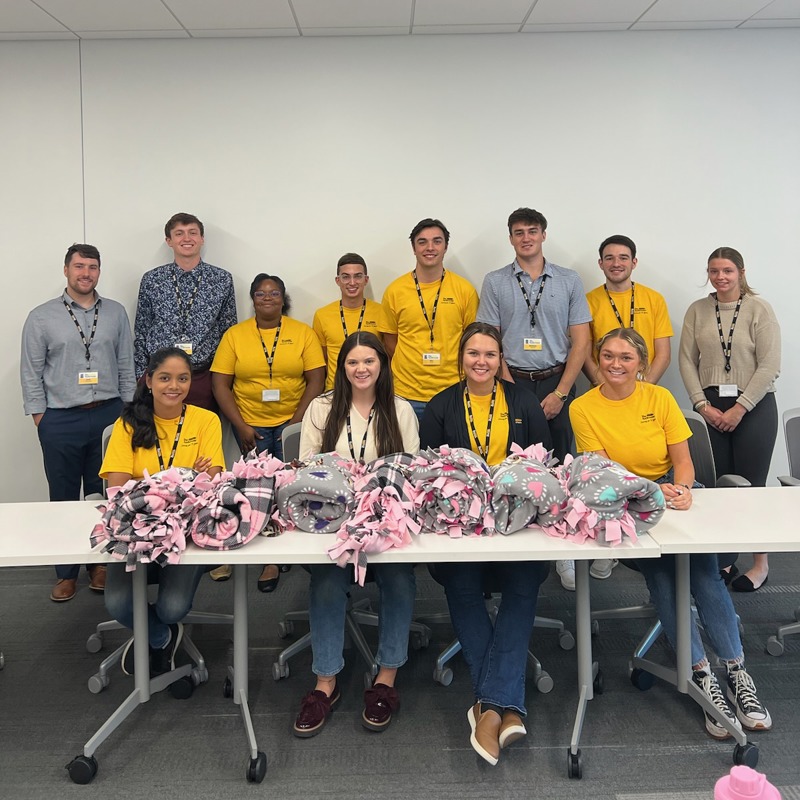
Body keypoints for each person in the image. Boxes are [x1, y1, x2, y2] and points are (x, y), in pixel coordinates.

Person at [570, 327, 771, 741]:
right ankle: (700, 674)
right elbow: (604, 473)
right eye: (607, 355)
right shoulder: (583, 407)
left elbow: (684, 461)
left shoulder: (660, 398)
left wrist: (680, 489)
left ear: (641, 364)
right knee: (662, 574)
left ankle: (736, 671)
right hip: (623, 499)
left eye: (626, 357)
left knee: (701, 571)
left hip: (673, 493)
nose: (615, 364)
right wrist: (647, 492)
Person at [419, 322, 552, 765]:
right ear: (462, 358)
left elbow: (542, 466)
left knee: (525, 578)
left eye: (490, 354)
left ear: (501, 360)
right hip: (462, 526)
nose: (481, 362)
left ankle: (488, 706)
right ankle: (506, 707)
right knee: (460, 580)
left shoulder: (524, 402)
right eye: (473, 353)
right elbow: (431, 476)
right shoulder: (440, 406)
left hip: (517, 524)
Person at [293, 332, 419, 738]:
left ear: (382, 364)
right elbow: (305, 468)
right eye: (353, 362)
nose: (361, 369)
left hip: (386, 521)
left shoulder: (399, 410)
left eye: (369, 361)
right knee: (328, 582)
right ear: (342, 367)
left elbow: (411, 473)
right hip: (332, 521)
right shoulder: (321, 408)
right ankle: (325, 683)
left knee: (400, 579)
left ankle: (385, 678)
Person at [476, 207, 591, 591]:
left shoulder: (570, 280)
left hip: (556, 380)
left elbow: (581, 341)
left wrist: (561, 392)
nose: (526, 238)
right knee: (513, 464)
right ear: (510, 239)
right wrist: (509, 390)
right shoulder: (494, 282)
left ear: (544, 235)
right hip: (512, 381)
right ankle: (514, 537)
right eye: (518, 232)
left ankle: (563, 549)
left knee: (560, 465)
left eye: (533, 231)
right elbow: (490, 341)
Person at [21, 243, 136, 602]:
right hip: (61, 419)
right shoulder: (41, 317)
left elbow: (125, 365)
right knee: (64, 496)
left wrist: (129, 411)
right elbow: (31, 372)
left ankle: (99, 564)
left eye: (93, 267)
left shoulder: (115, 313)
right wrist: (43, 418)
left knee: (105, 494)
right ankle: (66, 572)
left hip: (108, 415)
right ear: (66, 270)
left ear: (99, 272)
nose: (86, 273)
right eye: (79, 266)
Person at [101, 347, 225, 676]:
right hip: (137, 530)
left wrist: (165, 485)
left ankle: (159, 628)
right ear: (149, 381)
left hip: (186, 531)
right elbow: (116, 487)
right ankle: (159, 638)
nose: (174, 386)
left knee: (172, 607)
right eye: (165, 378)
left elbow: (212, 484)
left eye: (182, 378)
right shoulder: (128, 424)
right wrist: (185, 479)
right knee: (118, 604)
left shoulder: (206, 420)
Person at [211, 274, 325, 592]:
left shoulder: (302, 333)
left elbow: (316, 379)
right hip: (252, 423)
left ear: (283, 297)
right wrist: (240, 424)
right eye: (260, 294)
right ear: (253, 299)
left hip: (293, 422)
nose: (267, 298)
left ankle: (282, 551)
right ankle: (256, 548)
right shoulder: (235, 336)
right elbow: (220, 384)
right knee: (257, 488)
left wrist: (297, 424)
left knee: (290, 484)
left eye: (274, 292)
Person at [679, 247, 780, 593]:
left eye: (727, 271)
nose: (720, 277)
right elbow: (687, 361)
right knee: (718, 486)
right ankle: (724, 558)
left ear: (741, 272)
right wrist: (702, 405)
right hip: (711, 406)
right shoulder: (698, 310)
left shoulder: (758, 309)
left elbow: (769, 365)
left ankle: (760, 564)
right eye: (713, 271)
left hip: (754, 406)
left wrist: (741, 407)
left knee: (751, 488)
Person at [582, 234, 674, 582]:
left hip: (644, 388)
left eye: (623, 257)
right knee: (605, 466)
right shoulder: (589, 299)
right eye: (609, 257)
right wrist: (605, 383)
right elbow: (588, 350)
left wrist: (640, 385)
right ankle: (613, 538)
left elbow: (662, 350)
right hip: (603, 390)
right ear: (600, 263)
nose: (616, 263)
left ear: (634, 262)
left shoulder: (653, 298)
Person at [133, 212, 237, 411]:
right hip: (160, 377)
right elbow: (142, 330)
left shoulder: (222, 279)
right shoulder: (152, 279)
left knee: (202, 437)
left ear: (202, 239)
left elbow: (228, 332)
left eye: (193, 233)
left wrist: (222, 381)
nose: (187, 238)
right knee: (160, 438)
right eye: (179, 233)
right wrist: (141, 376)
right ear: (169, 241)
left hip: (204, 377)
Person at [380, 218, 479, 422]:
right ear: (414, 248)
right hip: (406, 393)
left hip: (453, 390)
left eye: (437, 241)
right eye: (422, 242)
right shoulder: (395, 291)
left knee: (451, 453)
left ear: (445, 247)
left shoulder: (465, 290)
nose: (430, 247)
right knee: (408, 453)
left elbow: (472, 339)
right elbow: (390, 340)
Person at [312, 252, 384, 390]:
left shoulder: (381, 312)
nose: (352, 282)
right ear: (337, 280)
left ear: (366, 280)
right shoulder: (322, 315)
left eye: (358, 276)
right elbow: (322, 360)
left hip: (372, 391)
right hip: (335, 391)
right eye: (346, 277)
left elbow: (386, 354)